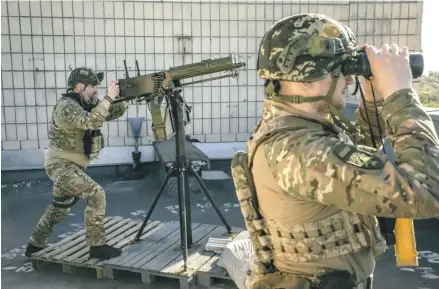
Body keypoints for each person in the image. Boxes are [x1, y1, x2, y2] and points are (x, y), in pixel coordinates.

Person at [231, 13, 439, 289]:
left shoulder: (297, 131)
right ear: (306, 78)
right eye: (340, 70)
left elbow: (353, 160)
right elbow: (426, 192)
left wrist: (374, 101)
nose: (349, 81)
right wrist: (400, 96)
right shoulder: (301, 150)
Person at [25, 67, 129, 260]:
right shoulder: (67, 106)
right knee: (96, 194)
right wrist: (108, 97)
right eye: (93, 88)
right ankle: (97, 246)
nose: (95, 92)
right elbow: (91, 122)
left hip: (73, 167)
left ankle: (34, 245)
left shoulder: (85, 103)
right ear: (80, 87)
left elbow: (109, 113)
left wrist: (124, 98)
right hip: (61, 166)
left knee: (59, 209)